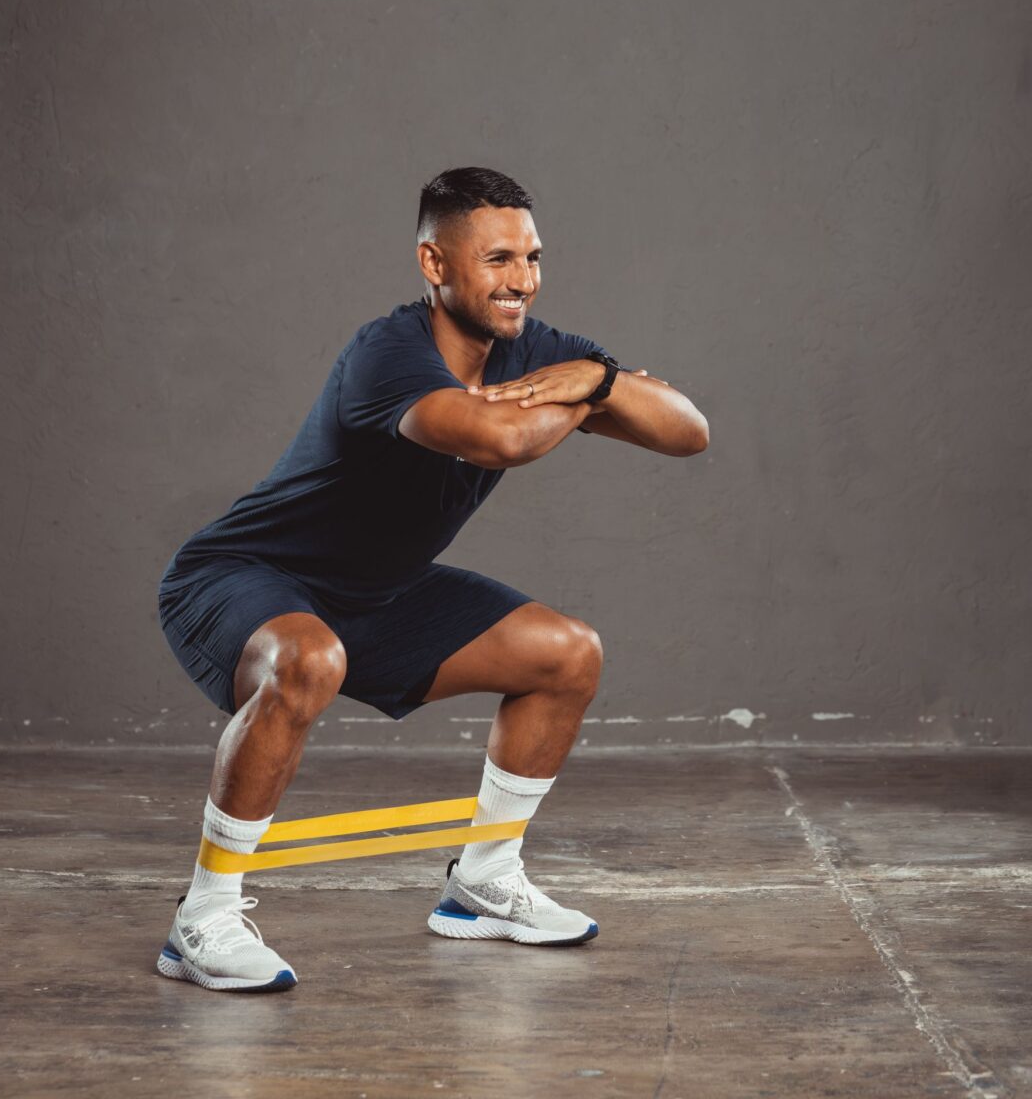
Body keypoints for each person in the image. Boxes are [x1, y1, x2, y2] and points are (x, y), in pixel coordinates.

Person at [154, 166, 709, 992]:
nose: (521, 279)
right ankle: (202, 918)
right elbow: (497, 442)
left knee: (567, 654)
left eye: (531, 256)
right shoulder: (389, 352)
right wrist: (591, 396)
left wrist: (594, 380)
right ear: (434, 264)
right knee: (308, 661)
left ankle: (483, 886)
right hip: (246, 573)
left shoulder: (538, 349)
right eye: (496, 260)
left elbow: (687, 430)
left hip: (378, 594)